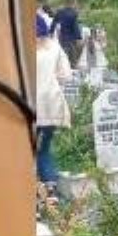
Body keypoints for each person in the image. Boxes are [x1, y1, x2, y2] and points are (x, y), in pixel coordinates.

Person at [34, 15, 72, 193]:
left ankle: (41, 191)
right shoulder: (55, 48)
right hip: (51, 103)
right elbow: (65, 75)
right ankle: (51, 189)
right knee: (44, 148)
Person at [53, 0, 82, 67]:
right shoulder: (72, 14)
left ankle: (65, 67)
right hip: (70, 38)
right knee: (72, 54)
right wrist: (79, 38)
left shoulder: (62, 14)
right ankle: (72, 66)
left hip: (62, 37)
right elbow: (75, 27)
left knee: (65, 53)